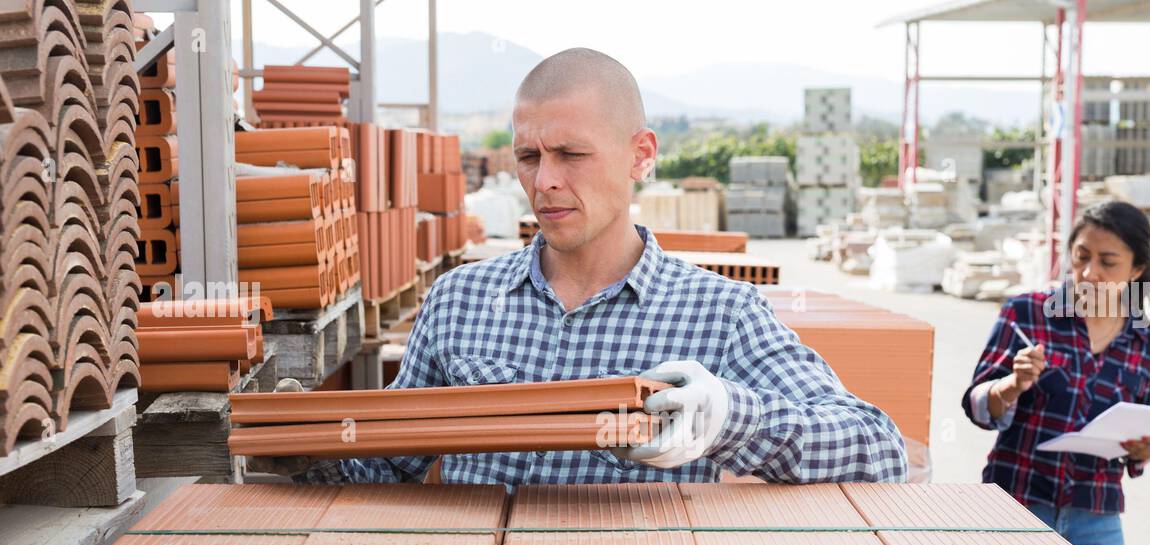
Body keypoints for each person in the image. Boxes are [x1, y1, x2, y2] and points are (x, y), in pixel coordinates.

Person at [251, 48, 907, 486]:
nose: (546, 181)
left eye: (572, 154)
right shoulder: (458, 303)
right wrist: (310, 446)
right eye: (530, 156)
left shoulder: (722, 316)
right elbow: (390, 467)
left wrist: (729, 419)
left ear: (639, 154)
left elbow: (879, 450)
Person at [961, 200, 1150, 545]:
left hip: (1096, 515)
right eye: (1081, 257)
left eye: (1108, 262)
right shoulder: (1027, 312)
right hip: (1016, 504)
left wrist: (1143, 450)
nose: (1090, 273)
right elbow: (977, 405)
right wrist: (1009, 386)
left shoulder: (1149, 342)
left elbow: (1142, 426)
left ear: (1136, 270)